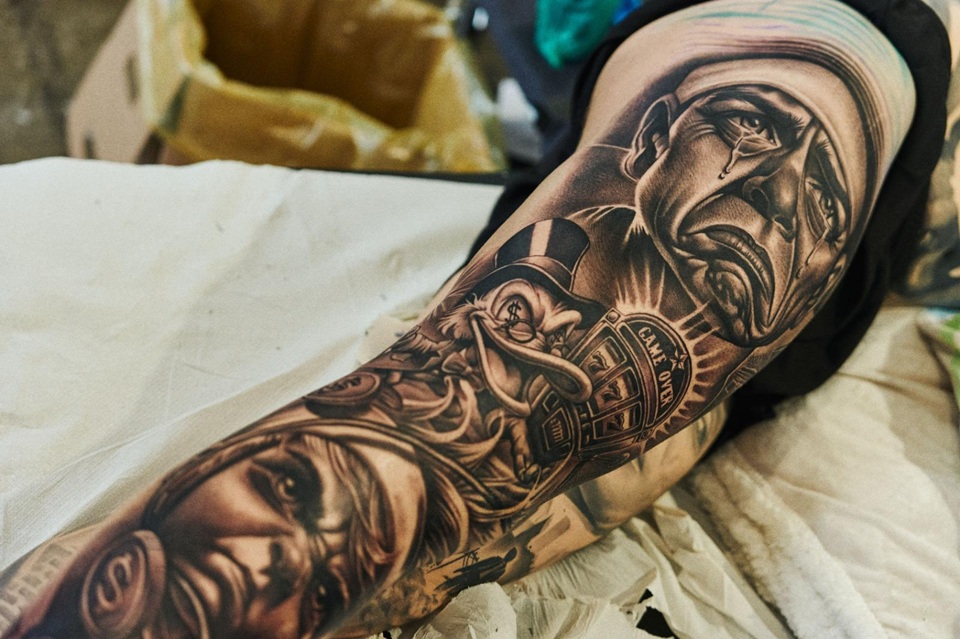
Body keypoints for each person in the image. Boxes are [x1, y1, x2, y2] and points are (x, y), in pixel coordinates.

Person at [0, 0, 949, 637]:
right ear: (660, 140)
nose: (779, 191)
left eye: (810, 198)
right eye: (750, 135)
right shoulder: (816, 64)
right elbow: (414, 452)